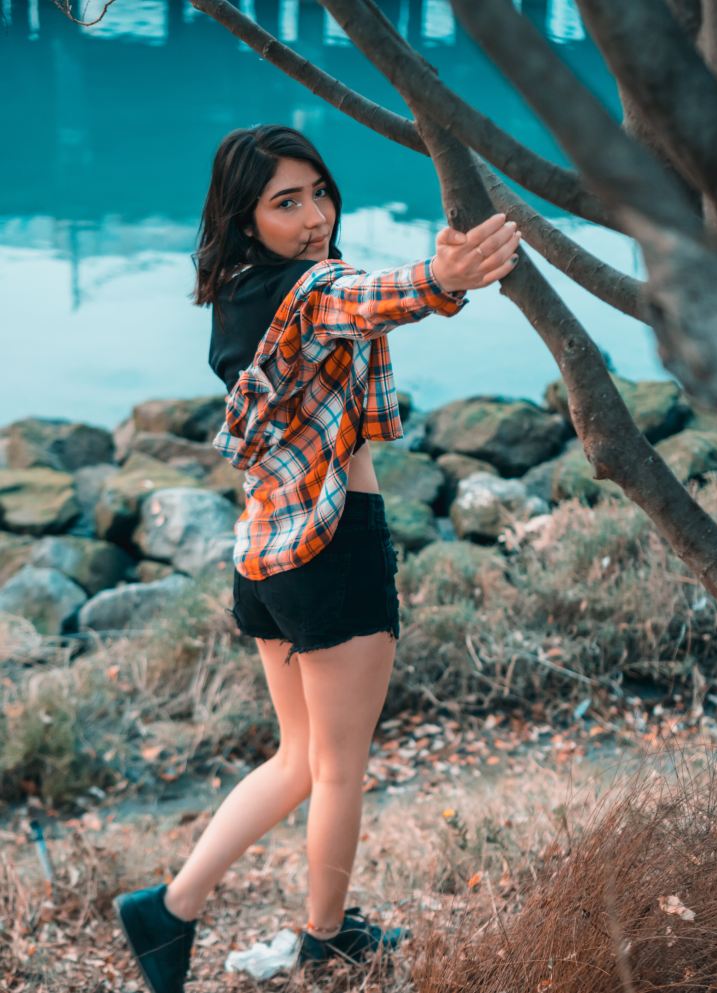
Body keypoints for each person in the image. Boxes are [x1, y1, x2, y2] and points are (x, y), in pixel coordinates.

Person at [113, 124, 522, 992]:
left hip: (264, 551)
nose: (312, 216)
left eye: (319, 193)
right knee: (339, 769)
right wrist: (443, 277)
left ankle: (167, 908)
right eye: (285, 202)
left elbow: (353, 296)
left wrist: (427, 281)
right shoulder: (310, 288)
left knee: (298, 759)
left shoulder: (234, 292)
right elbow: (364, 296)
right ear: (245, 214)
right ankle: (327, 937)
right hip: (334, 545)